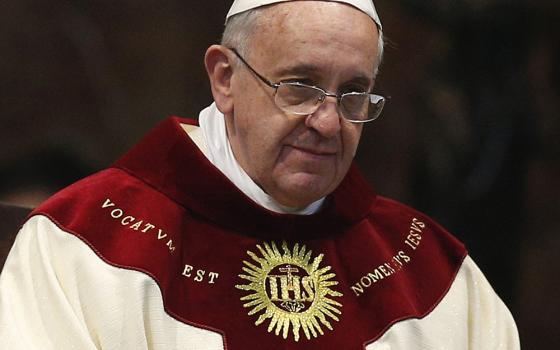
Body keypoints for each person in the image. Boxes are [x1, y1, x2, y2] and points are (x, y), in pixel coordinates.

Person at [0, 0, 519, 349]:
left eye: (355, 92)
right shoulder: (83, 244)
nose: (327, 121)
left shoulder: (431, 271)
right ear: (224, 78)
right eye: (300, 86)